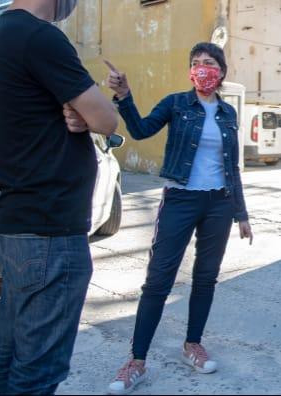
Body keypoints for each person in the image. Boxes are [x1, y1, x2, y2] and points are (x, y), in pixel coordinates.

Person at [0, 0, 119, 395]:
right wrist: (90, 110)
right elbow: (107, 120)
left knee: (11, 354)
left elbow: (76, 115)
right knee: (37, 372)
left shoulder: (6, 34)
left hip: (22, 226)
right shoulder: (41, 37)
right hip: (49, 233)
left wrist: (78, 112)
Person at [104, 42, 252, 395]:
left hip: (219, 202)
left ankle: (193, 345)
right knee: (158, 281)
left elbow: (232, 166)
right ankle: (136, 360)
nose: (203, 68)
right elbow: (139, 131)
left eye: (210, 63)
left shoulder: (229, 113)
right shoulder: (175, 103)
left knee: (206, 278)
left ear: (222, 71)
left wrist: (241, 213)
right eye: (196, 63)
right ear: (190, 71)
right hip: (180, 199)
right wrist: (124, 96)